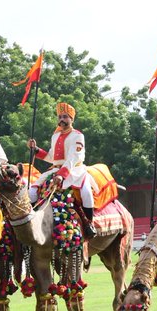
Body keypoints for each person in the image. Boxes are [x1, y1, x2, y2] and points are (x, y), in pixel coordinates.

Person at [27, 102, 95, 238]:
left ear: (71, 119)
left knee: (86, 192)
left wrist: (62, 175)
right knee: (32, 190)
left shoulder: (78, 136)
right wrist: (36, 150)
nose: (62, 120)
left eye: (65, 117)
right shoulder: (55, 136)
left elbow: (73, 157)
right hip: (55, 170)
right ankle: (31, 222)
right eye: (59, 117)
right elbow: (52, 157)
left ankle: (89, 223)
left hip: (75, 171)